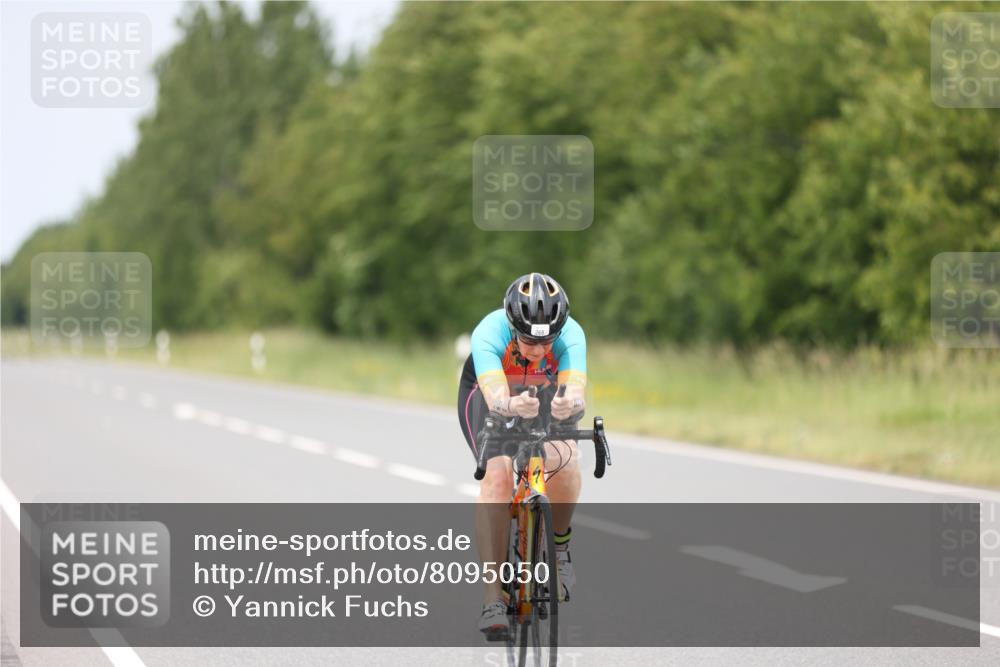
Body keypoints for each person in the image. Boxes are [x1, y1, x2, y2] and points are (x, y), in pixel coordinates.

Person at [456, 273, 587, 640]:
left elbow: (577, 390)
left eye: (547, 340)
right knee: (496, 479)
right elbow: (496, 396)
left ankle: (559, 552)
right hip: (489, 396)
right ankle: (493, 597)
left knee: (565, 458)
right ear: (512, 327)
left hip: (544, 392)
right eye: (529, 340)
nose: (538, 350)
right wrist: (510, 405)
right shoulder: (489, 332)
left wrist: (569, 404)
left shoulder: (572, 334)